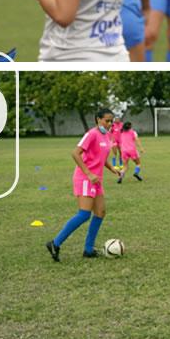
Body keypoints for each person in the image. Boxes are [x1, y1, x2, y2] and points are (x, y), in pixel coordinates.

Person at [46, 109, 122, 260]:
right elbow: (75, 153)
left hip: (96, 179)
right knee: (84, 214)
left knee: (100, 212)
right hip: (85, 178)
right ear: (98, 119)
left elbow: (101, 156)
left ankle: (88, 250)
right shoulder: (91, 134)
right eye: (106, 120)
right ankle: (55, 243)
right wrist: (88, 173)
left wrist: (111, 168)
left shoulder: (107, 135)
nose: (109, 124)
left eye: (111, 121)